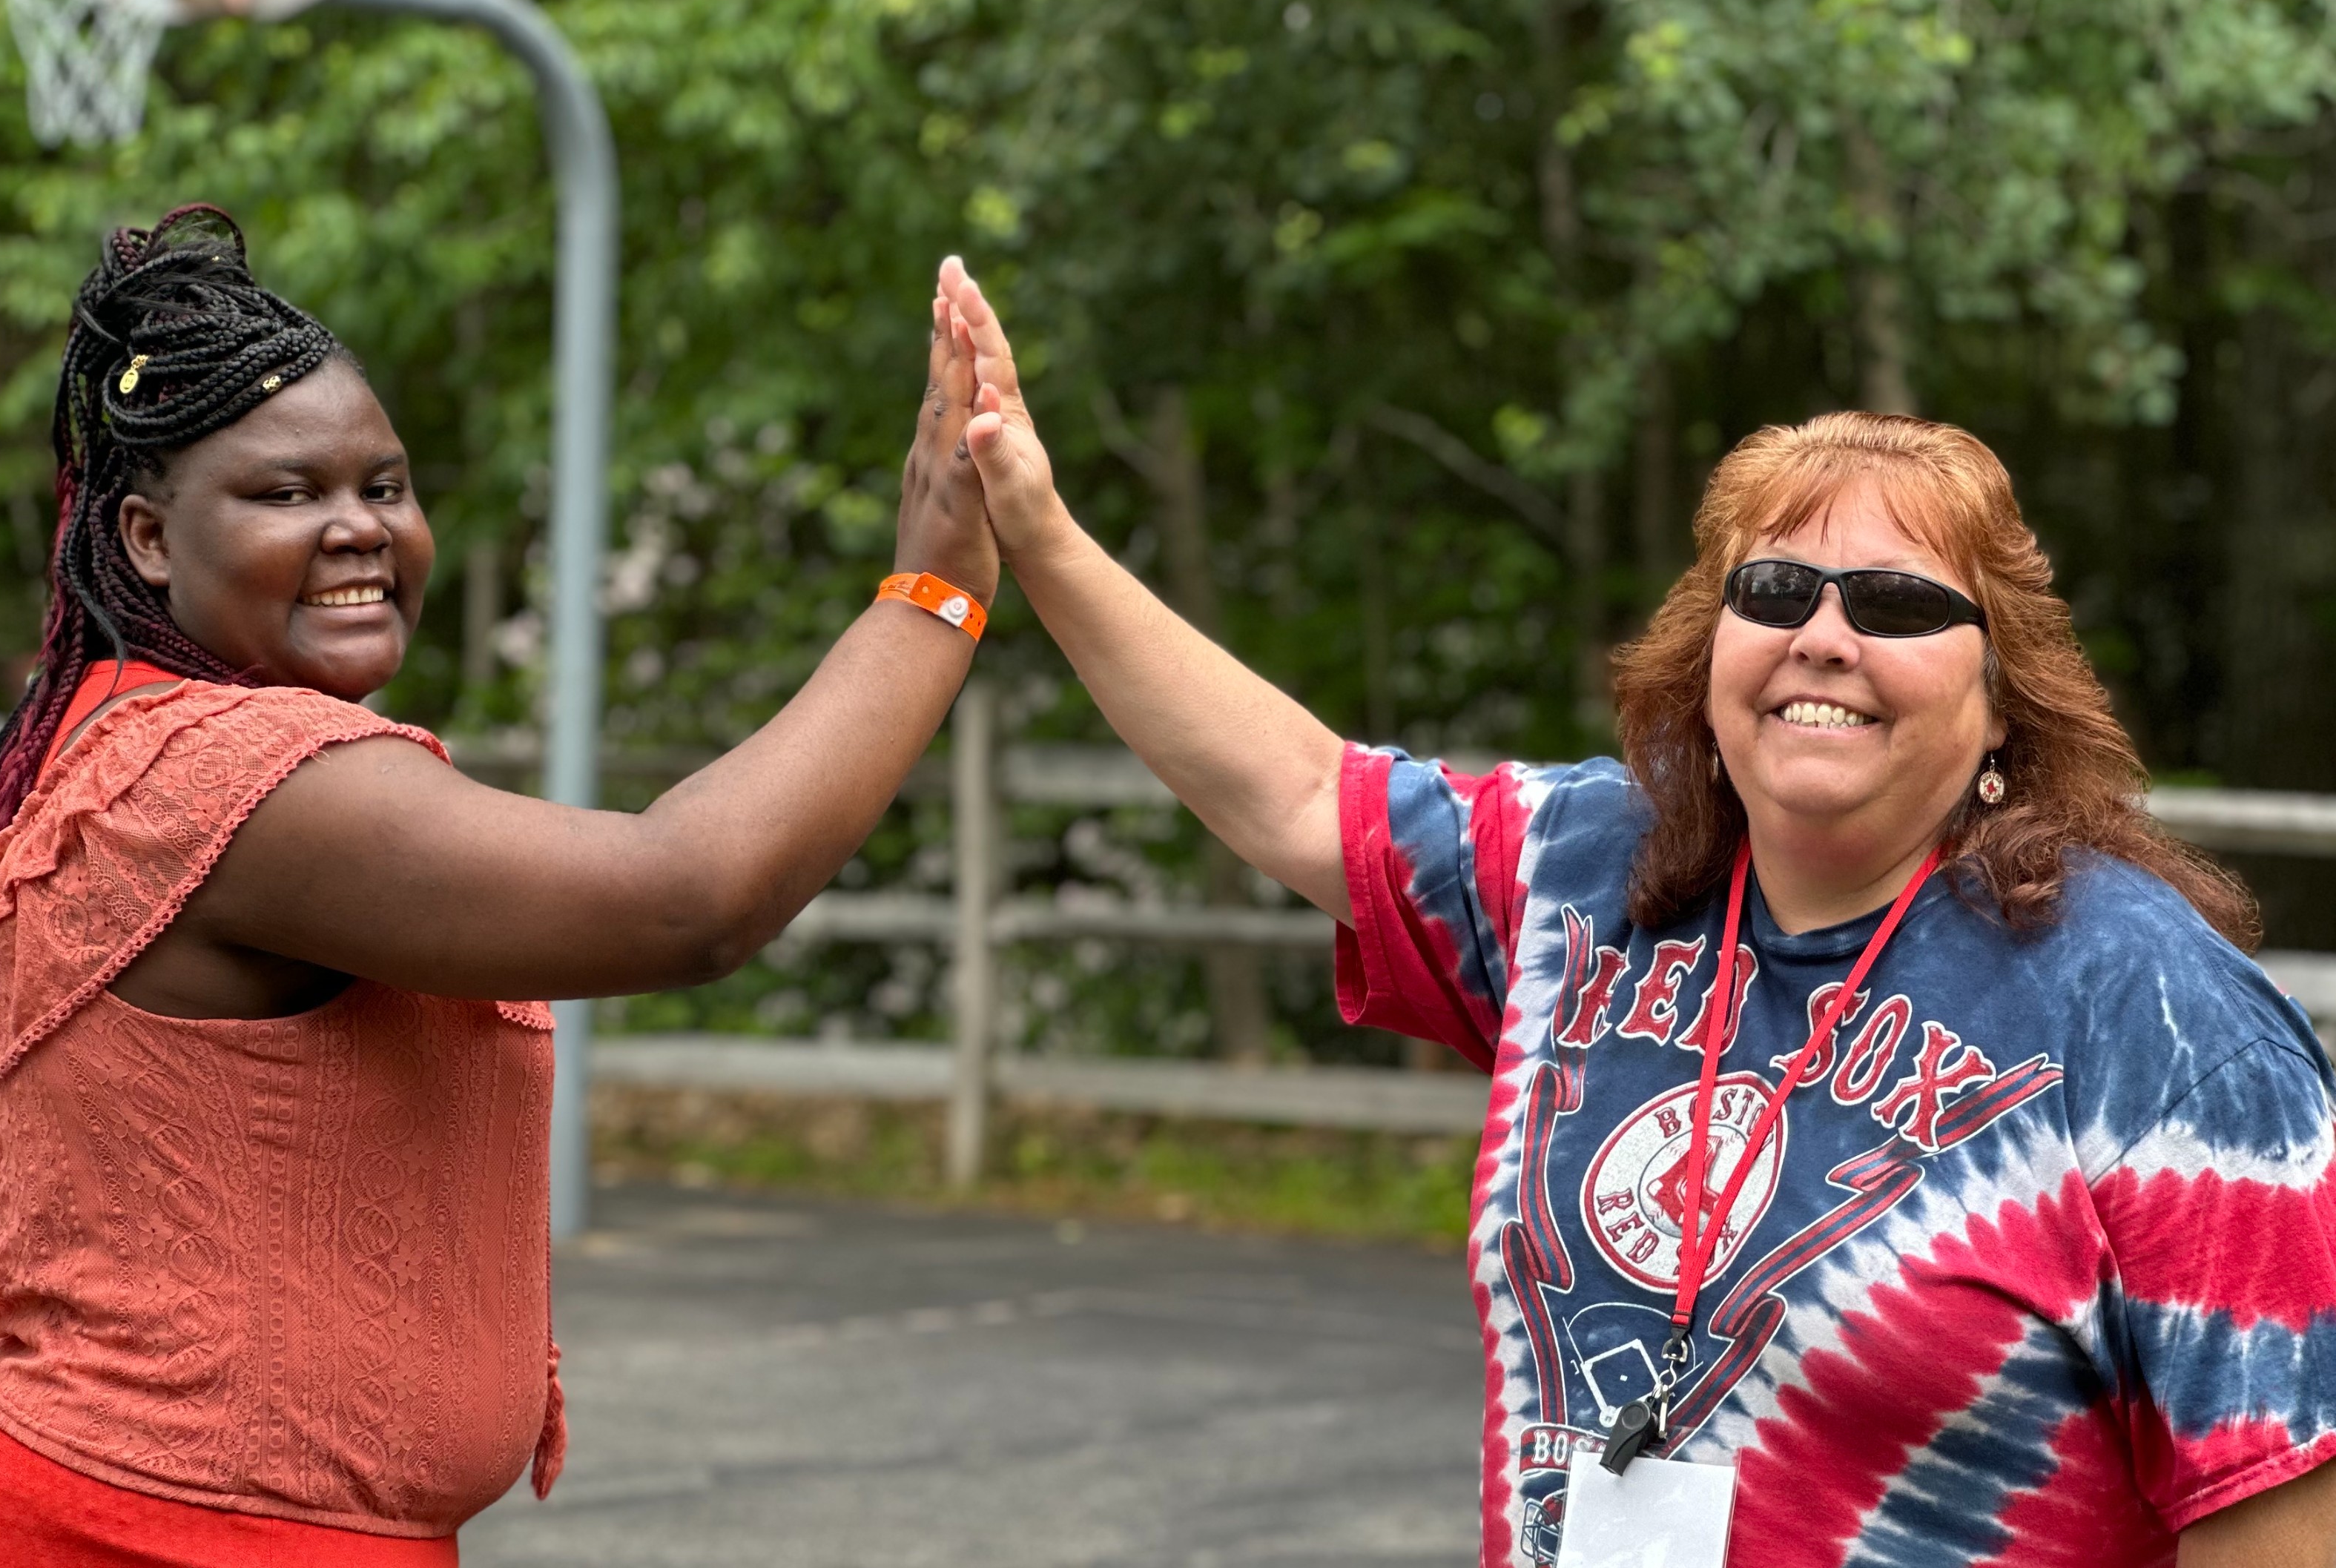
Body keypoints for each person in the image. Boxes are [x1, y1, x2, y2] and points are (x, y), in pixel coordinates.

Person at [934, 264, 2336, 1566]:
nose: (1824, 636)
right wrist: (1041, 533)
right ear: (1710, 649)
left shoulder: (2166, 1024)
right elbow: (1301, 795)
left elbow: (2279, 1509)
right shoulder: (1590, 870)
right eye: (1776, 588)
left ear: (2002, 699)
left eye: (1899, 603)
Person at [0, 206, 1000, 1564]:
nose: (360, 528)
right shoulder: (240, 778)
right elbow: (692, 897)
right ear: (144, 542)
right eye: (287, 494)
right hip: (165, 1537)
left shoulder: (140, 739)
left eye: (385, 485)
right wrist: (936, 588)